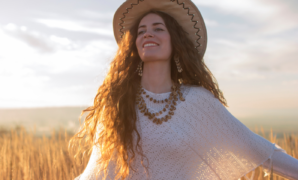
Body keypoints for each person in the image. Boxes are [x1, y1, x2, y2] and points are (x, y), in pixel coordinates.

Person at [70, 0, 298, 180]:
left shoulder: (198, 101)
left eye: (158, 28)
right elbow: (97, 174)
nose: (147, 34)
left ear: (175, 41)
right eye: (141, 31)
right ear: (135, 44)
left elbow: (257, 148)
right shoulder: (118, 104)